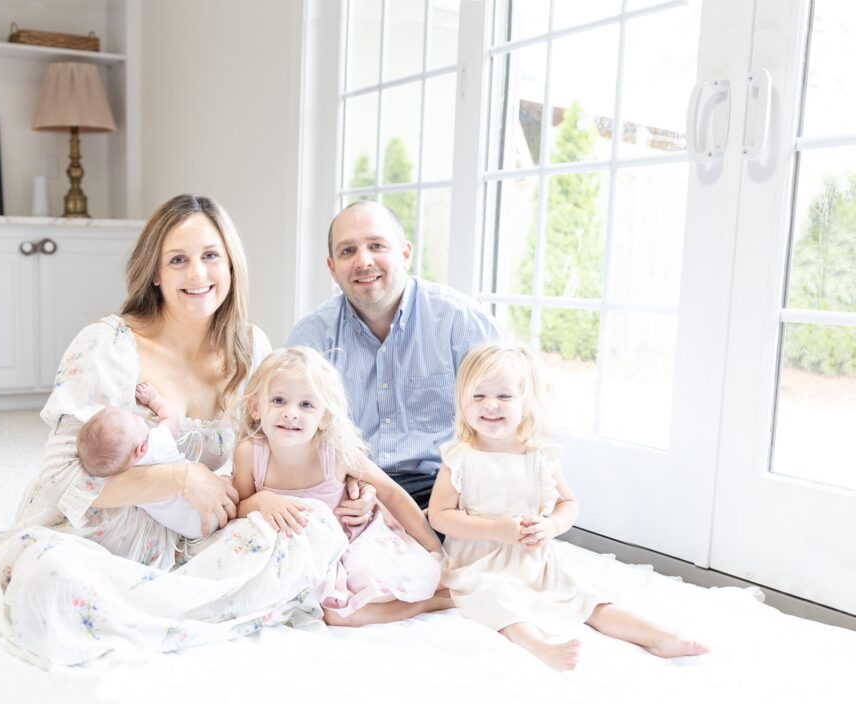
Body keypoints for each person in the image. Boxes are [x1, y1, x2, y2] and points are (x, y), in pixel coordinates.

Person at [0, 195, 349, 667]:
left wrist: (350, 482)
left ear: (231, 264)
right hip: (105, 529)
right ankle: (189, 608)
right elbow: (61, 479)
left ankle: (162, 605)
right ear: (155, 273)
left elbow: (281, 443)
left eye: (210, 256)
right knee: (49, 576)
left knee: (312, 529)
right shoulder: (108, 346)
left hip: (197, 530)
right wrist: (180, 479)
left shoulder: (251, 346)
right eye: (178, 260)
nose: (197, 275)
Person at [428, 342, 709, 671]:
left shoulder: (539, 455)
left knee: (585, 597)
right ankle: (540, 645)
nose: (490, 405)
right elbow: (440, 516)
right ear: (462, 401)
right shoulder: (459, 458)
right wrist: (494, 529)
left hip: (534, 559)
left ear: (526, 402)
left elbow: (568, 504)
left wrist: (551, 526)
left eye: (504, 396)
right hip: (477, 562)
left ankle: (658, 637)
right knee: (496, 596)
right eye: (478, 396)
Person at [287, 201, 499, 509]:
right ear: (332, 269)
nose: (363, 261)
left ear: (405, 254)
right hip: (349, 489)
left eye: (377, 245)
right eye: (347, 251)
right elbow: (285, 434)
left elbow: (508, 419)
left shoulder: (462, 322)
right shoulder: (310, 338)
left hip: (446, 489)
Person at [231, 346, 451, 626]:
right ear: (255, 407)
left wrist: (435, 550)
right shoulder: (250, 452)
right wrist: (261, 502)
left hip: (351, 541)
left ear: (324, 417)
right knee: (318, 610)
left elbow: (391, 492)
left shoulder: (334, 453)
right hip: (299, 554)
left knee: (356, 600)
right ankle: (431, 601)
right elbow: (237, 510)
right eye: (278, 400)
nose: (291, 413)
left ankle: (433, 599)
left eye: (306, 405)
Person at [75, 381, 228, 539]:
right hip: (210, 505)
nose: (137, 416)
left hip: (192, 529)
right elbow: (170, 419)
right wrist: (153, 399)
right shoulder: (156, 443)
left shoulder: (124, 475)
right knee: (226, 482)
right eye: (135, 419)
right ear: (141, 449)